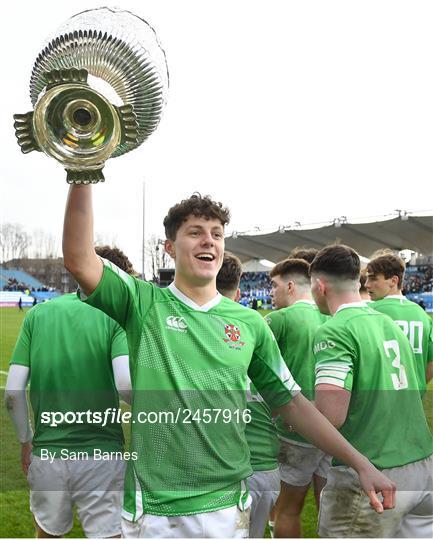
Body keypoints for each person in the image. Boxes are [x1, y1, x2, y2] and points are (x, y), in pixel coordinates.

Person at [63, 187, 395, 538]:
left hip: (227, 507)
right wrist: (83, 173)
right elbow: (79, 259)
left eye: (216, 234)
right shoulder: (143, 303)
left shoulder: (249, 323)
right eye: (195, 232)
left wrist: (360, 463)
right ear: (170, 247)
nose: (209, 241)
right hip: (156, 512)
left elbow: (292, 402)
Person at [4, 245, 135, 539]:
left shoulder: (38, 315)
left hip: (48, 453)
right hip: (102, 455)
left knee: (47, 534)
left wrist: (26, 440)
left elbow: (13, 393)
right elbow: (125, 385)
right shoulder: (116, 318)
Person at [310, 244, 433, 538]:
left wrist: (294, 414)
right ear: (359, 281)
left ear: (319, 285)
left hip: (373, 472)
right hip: (422, 465)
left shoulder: (335, 329)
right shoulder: (389, 324)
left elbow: (330, 416)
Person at [216, 252, 280, 538]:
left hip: (221, 469)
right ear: (239, 291)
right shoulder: (258, 326)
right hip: (264, 464)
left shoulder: (193, 328)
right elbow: (287, 399)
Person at [266, 258, 330, 538]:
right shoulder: (330, 317)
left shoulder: (278, 319)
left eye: (274, 285)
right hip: (333, 427)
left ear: (290, 286)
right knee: (327, 508)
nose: (271, 292)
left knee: (288, 510)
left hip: (295, 429)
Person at [366, 253, 433, 391]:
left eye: (373, 279)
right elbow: (431, 362)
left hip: (379, 402)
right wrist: (417, 384)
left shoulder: (367, 312)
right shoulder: (423, 316)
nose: (367, 284)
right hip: (413, 402)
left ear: (393, 281)